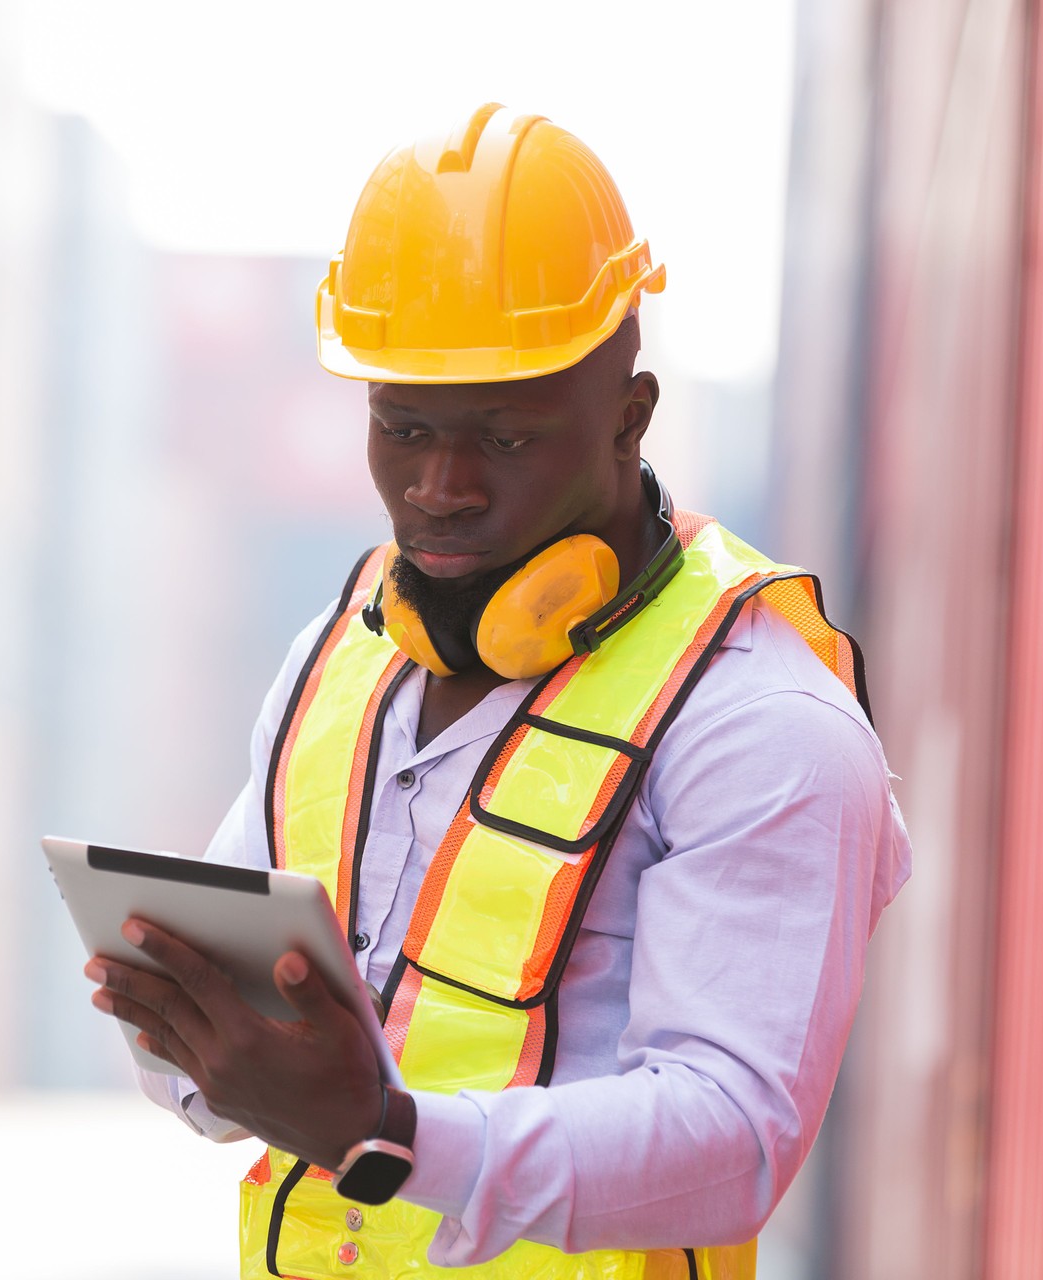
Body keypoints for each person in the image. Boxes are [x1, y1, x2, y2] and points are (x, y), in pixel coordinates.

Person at [81, 104, 911, 1279]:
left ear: (630, 415)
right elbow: (214, 1079)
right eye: (403, 426)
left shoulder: (761, 721)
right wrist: (198, 1037)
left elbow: (734, 1137)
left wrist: (388, 1132)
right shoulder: (339, 659)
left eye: (505, 438)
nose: (440, 486)